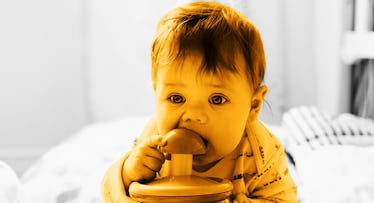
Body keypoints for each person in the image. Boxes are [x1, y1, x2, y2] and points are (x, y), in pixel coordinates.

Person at [101, 1, 297, 202]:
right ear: (156, 92)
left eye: (217, 99)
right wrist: (127, 175)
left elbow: (283, 198)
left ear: (253, 106)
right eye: (176, 98)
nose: (193, 115)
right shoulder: (154, 142)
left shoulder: (260, 152)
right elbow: (108, 193)